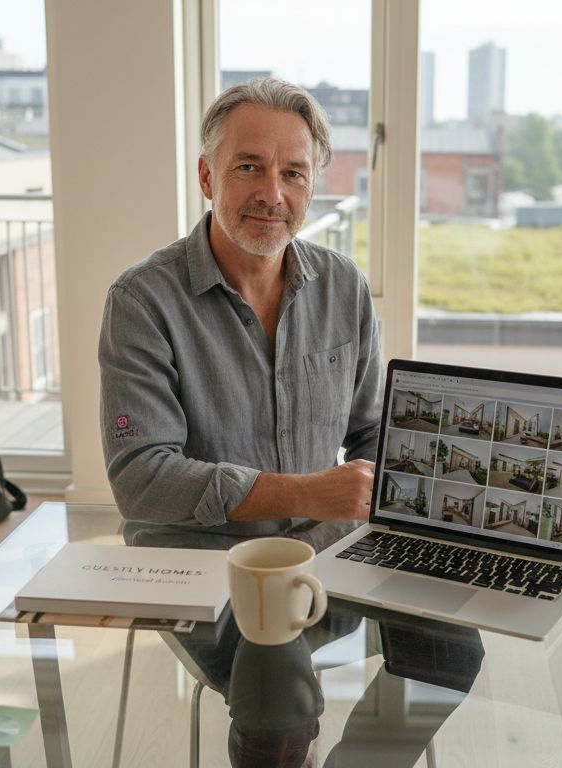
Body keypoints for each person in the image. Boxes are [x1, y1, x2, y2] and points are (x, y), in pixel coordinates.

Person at [99, 77, 382, 547]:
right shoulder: (141, 301)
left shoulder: (345, 287)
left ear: (311, 186)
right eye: (250, 167)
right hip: (204, 563)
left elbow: (372, 432)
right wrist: (306, 494)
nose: (272, 195)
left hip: (327, 556)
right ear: (207, 176)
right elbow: (141, 479)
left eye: (293, 173)